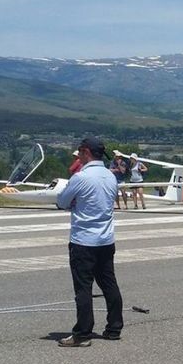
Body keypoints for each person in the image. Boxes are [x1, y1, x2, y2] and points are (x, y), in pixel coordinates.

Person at [56, 137, 125, 347]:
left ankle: (83, 333)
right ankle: (114, 328)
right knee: (109, 284)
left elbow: (62, 201)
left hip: (84, 240)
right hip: (106, 239)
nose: (78, 156)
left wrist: (75, 202)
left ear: (86, 152)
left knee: (83, 288)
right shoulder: (111, 176)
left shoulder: (81, 177)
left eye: (80, 152)